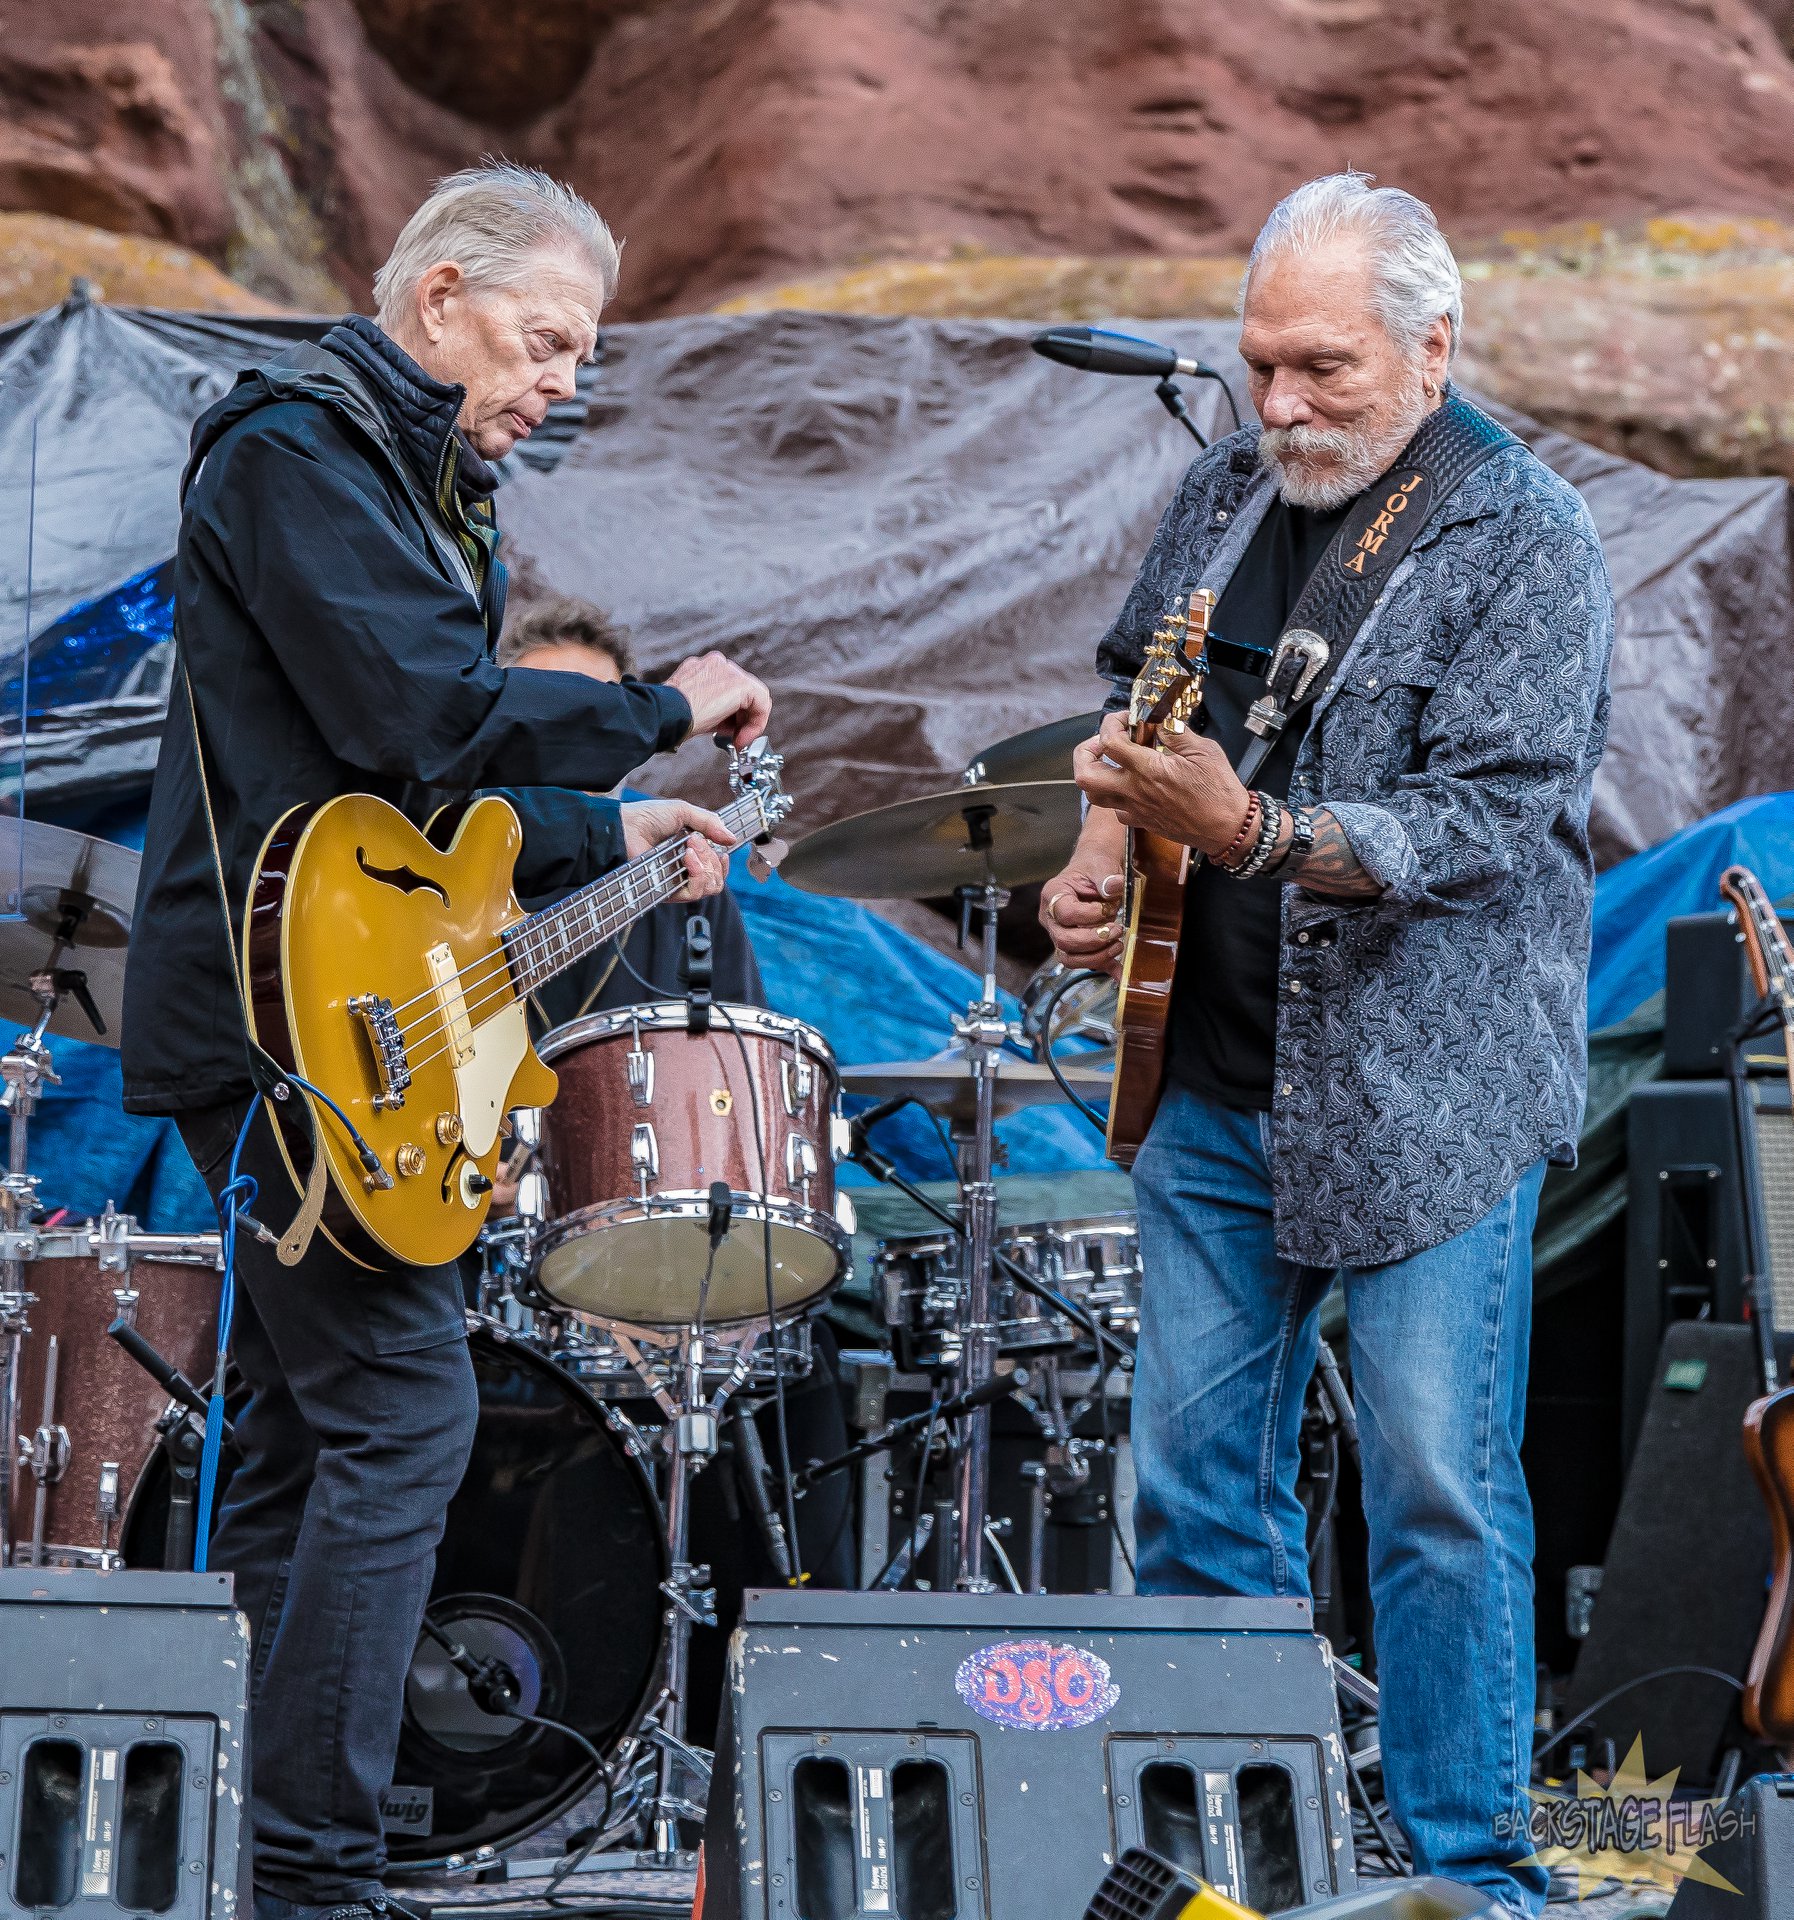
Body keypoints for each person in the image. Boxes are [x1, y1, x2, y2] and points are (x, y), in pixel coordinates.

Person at [120, 162, 771, 1920]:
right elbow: (422, 708)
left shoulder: (411, 477)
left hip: (320, 1010)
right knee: (403, 1418)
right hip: (275, 1034)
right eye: (548, 339)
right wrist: (656, 715)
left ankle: (237, 1864)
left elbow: (411, 805)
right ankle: (314, 1879)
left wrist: (603, 841)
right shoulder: (295, 451)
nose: (564, 378)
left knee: (292, 1438)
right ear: (438, 305)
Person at [1039, 173, 1613, 1915]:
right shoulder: (1222, 490)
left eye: (1318, 369)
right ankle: (1228, 1860)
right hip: (1210, 1082)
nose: (1275, 405)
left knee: (1434, 1493)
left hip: (1425, 1100)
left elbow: (1492, 821)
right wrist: (1099, 848)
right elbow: (1135, 712)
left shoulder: (1527, 538)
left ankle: (1470, 1878)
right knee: (1193, 1491)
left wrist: (1253, 837)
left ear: (1430, 349)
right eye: (1257, 363)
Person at [495, 594, 766, 1025]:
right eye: (551, 718)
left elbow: (742, 1059)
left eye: (598, 717)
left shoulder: (687, 876)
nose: (575, 740)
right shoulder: (443, 854)